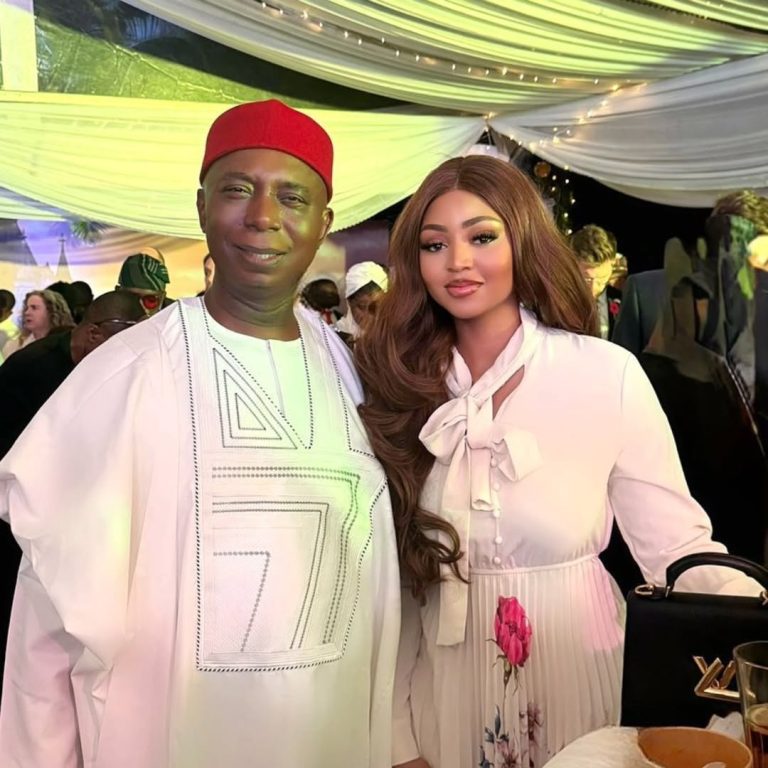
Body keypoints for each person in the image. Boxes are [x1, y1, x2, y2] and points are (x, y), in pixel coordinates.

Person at [0, 99, 399, 767]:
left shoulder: (350, 373)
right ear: (201, 206)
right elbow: (46, 626)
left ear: (324, 223)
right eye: (237, 190)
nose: (263, 216)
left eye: (291, 196)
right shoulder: (124, 378)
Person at [354, 156, 759, 768]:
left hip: (583, 674)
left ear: (523, 239)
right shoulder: (400, 388)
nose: (457, 260)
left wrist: (754, 610)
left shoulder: (603, 373)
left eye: (482, 237)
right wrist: (397, 739)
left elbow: (676, 545)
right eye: (435, 244)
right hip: (443, 687)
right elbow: (396, 582)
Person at [0, 291, 146, 703]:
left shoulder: (105, 367)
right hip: (22, 525)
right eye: (123, 341)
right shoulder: (32, 369)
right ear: (95, 334)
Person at [570, 224, 623, 340]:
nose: (593, 288)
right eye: (586, 279)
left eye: (601, 279)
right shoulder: (556, 302)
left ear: (612, 263)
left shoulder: (622, 301)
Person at [0, 289, 74, 361]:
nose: (27, 312)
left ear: (51, 312)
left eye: (34, 308)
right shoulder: (13, 347)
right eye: (26, 308)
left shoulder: (68, 345)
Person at [336, 261, 389, 338]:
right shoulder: (333, 338)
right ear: (349, 302)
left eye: (376, 308)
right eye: (362, 307)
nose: (369, 316)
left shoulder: (391, 336)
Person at [115, 251, 170, 315]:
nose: (141, 310)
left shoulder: (175, 317)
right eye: (130, 300)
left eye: (150, 301)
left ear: (162, 299)